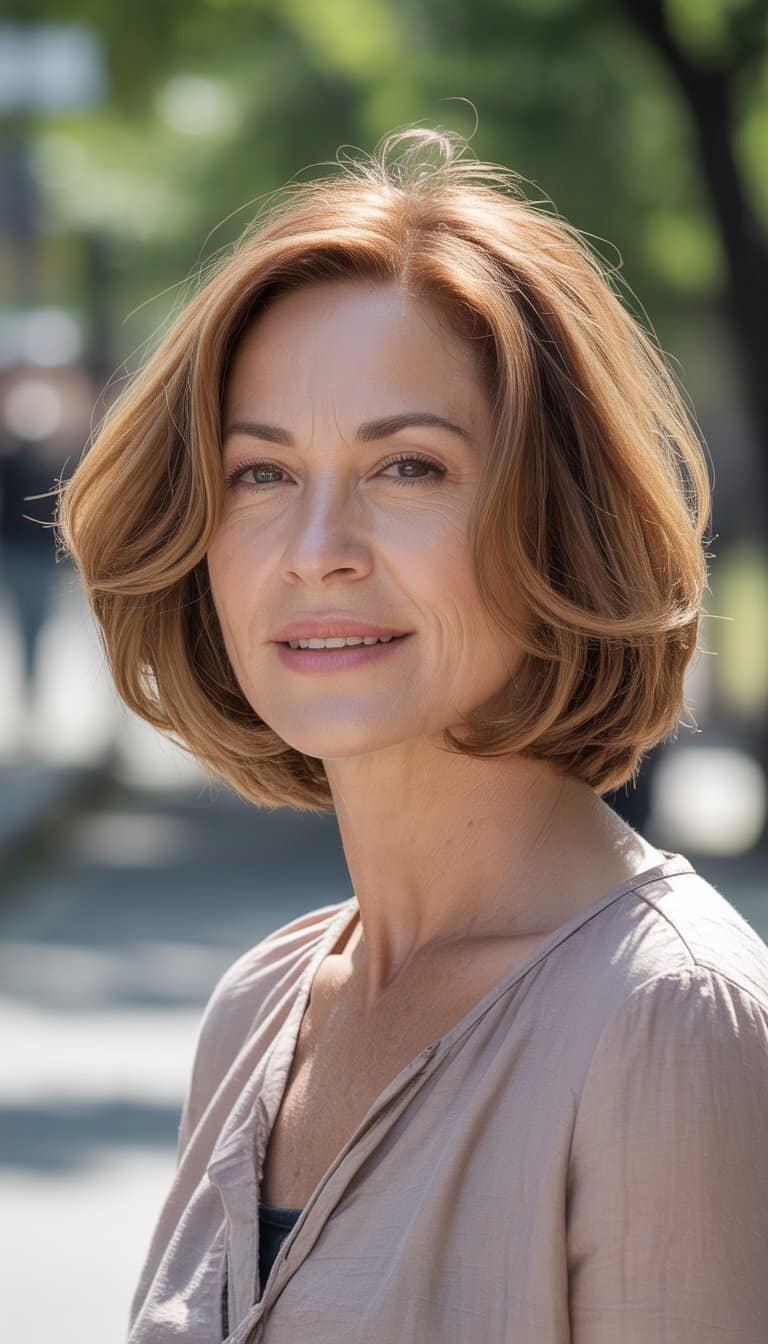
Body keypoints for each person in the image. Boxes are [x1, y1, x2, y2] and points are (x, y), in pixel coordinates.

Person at [55, 125, 768, 1342]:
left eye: (409, 469)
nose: (319, 546)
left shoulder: (669, 1023)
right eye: (261, 475)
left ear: (558, 521)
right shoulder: (258, 1010)